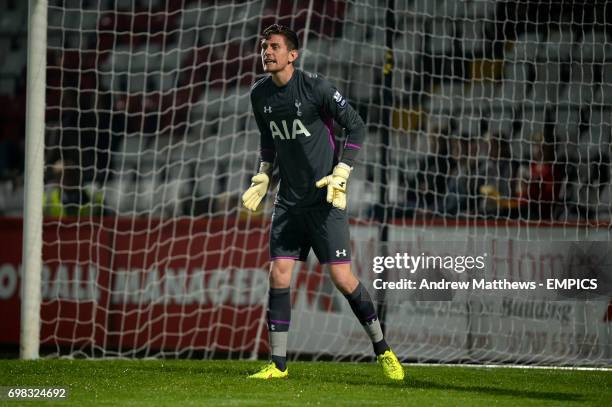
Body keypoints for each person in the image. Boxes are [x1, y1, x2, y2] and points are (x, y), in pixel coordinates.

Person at [242, 24, 404, 380]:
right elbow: (268, 141)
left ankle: (383, 349)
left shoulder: (316, 87)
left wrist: (343, 170)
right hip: (288, 201)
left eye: (274, 47)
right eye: (263, 47)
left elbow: (357, 126)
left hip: (325, 199)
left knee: (342, 278)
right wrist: (264, 173)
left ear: (292, 55)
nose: (266, 52)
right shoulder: (259, 94)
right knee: (278, 274)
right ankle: (278, 365)